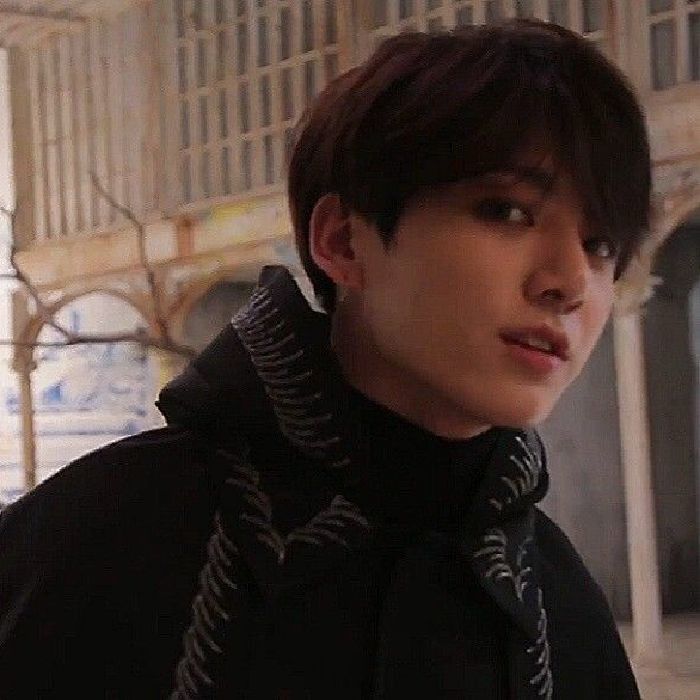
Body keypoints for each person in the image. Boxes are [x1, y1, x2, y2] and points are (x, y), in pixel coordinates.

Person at [0, 18, 650, 699]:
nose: (570, 281)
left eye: (601, 244)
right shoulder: (103, 539)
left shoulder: (559, 606)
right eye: (506, 212)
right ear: (342, 241)